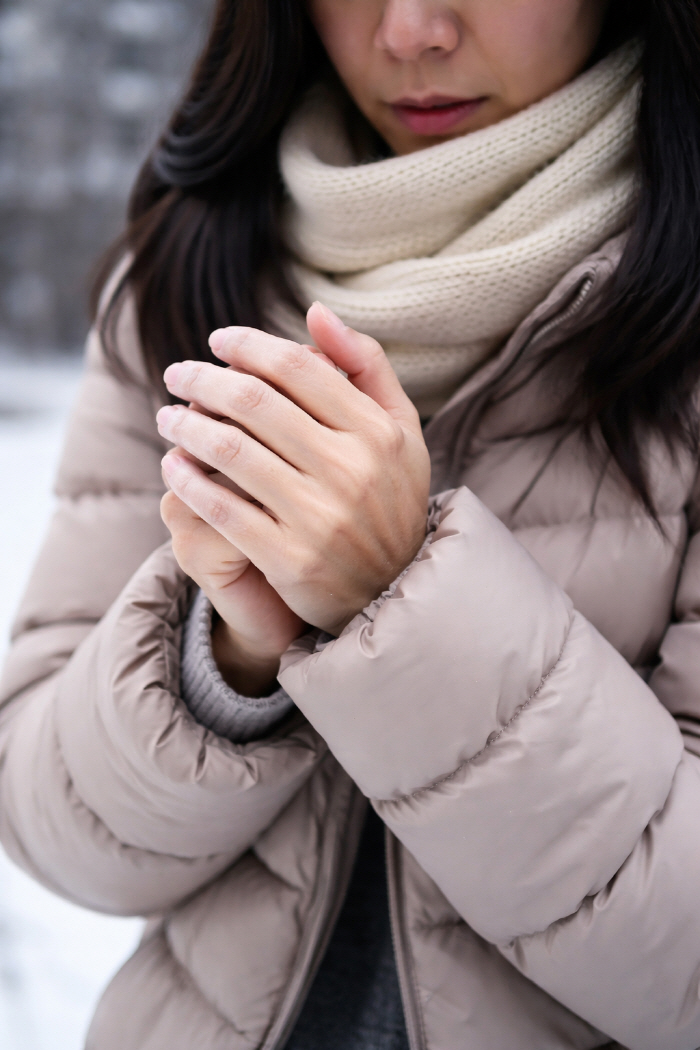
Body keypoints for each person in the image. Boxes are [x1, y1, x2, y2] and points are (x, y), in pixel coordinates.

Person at [2, 0, 700, 1047]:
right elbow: (57, 833)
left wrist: (400, 599)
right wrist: (228, 659)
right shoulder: (189, 267)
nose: (412, 30)